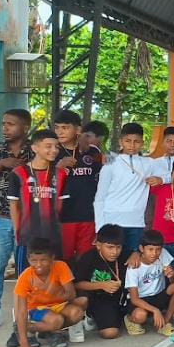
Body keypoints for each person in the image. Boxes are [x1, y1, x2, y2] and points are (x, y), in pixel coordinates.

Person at [8, 238, 87, 347]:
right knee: (56, 320)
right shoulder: (25, 277)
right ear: (28, 259)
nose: (38, 264)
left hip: (59, 305)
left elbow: (71, 295)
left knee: (78, 311)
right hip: (37, 308)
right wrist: (24, 345)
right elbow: (21, 311)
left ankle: (37, 329)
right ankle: (25, 329)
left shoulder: (61, 266)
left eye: (43, 260)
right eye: (34, 260)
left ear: (52, 258)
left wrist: (55, 293)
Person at [7, 130, 68, 275]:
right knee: (26, 278)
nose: (54, 150)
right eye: (48, 146)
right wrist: (17, 232)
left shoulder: (61, 174)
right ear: (35, 148)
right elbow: (14, 206)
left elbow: (63, 208)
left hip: (53, 237)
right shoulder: (18, 173)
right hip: (28, 237)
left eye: (56, 146)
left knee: (55, 278)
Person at [51, 110, 103, 262]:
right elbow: (43, 181)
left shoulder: (91, 152)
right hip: (64, 216)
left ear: (78, 130)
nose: (60, 132)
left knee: (85, 259)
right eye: (57, 127)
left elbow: (105, 175)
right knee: (63, 259)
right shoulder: (52, 152)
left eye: (65, 128)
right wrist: (58, 167)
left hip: (89, 215)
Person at [95, 123, 153, 254]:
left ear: (142, 143)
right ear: (121, 141)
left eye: (136, 141)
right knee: (112, 260)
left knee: (133, 261)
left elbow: (170, 174)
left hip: (136, 223)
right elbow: (100, 198)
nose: (132, 145)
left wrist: (160, 179)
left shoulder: (149, 163)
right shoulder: (111, 164)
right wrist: (99, 228)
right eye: (128, 141)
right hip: (111, 222)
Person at [73, 224, 127, 340]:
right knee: (110, 333)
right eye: (110, 247)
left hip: (120, 298)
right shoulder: (88, 258)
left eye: (118, 247)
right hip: (98, 298)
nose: (114, 252)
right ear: (98, 245)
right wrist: (102, 285)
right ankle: (89, 315)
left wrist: (136, 254)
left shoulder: (125, 256)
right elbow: (76, 284)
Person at [123, 230, 174, 337]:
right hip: (140, 300)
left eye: (158, 249)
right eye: (150, 249)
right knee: (140, 316)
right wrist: (155, 310)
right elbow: (134, 299)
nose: (154, 253)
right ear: (141, 249)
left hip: (158, 295)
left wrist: (171, 275)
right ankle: (129, 319)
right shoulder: (134, 266)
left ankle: (165, 323)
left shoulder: (163, 254)